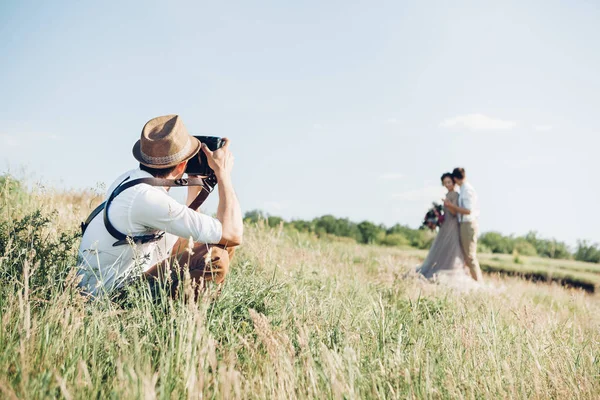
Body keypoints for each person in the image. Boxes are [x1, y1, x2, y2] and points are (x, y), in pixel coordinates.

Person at [76, 115, 243, 298]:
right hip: (111, 296)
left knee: (212, 241)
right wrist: (223, 173)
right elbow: (233, 234)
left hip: (115, 280)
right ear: (181, 167)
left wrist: (197, 182)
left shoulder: (132, 181)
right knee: (216, 256)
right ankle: (181, 319)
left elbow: (187, 230)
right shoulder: (146, 198)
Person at [417, 173, 472, 283]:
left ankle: (450, 270)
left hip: (452, 226)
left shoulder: (455, 195)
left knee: (451, 248)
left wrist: (448, 205)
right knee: (441, 248)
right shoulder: (448, 194)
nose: (447, 184)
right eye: (445, 183)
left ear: (453, 183)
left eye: (449, 182)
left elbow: (454, 213)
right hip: (445, 225)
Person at [444, 167, 483, 282]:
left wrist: (451, 206)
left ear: (455, 178)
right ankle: (472, 280)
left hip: (468, 224)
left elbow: (468, 210)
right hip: (464, 224)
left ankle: (479, 283)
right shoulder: (463, 189)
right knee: (465, 256)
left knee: (470, 256)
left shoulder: (467, 190)